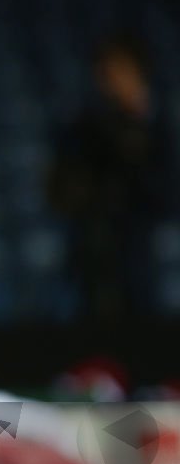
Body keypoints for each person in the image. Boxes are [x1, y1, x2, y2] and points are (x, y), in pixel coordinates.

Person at [47, 34, 174, 321]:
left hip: (136, 254)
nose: (114, 81)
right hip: (92, 255)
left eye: (121, 70)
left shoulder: (156, 127)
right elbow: (64, 187)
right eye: (107, 73)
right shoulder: (85, 125)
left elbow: (164, 191)